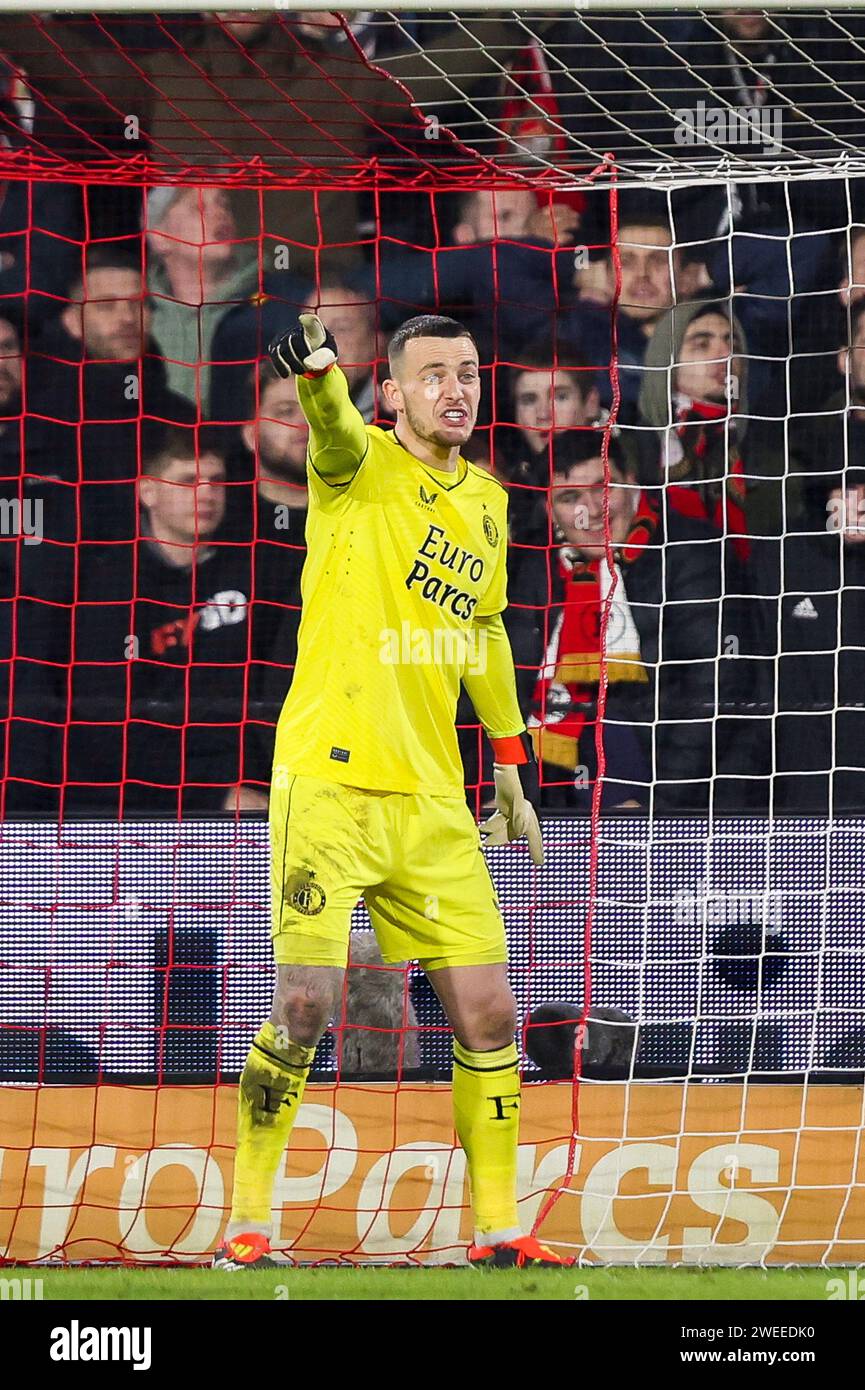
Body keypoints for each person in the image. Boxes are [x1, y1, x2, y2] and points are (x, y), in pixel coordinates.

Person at [214, 310, 570, 1273]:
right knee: (303, 1007)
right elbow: (326, 423)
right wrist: (322, 369)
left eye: (467, 372)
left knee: (491, 1014)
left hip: (429, 800)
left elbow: (486, 629)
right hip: (327, 784)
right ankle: (249, 1220)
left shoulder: (490, 502)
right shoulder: (357, 465)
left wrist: (506, 758)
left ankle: (496, 1227)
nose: (455, 388)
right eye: (432, 375)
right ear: (394, 393)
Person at [507, 431, 735, 811]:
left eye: (602, 488)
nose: (591, 510)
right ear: (550, 512)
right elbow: (512, 692)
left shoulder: (689, 553)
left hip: (681, 802)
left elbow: (713, 695)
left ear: (630, 481)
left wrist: (653, 806)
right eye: (569, 498)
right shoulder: (536, 572)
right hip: (557, 797)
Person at [751, 467, 865, 813]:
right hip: (809, 787)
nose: (860, 503)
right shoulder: (781, 558)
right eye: (848, 488)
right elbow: (765, 680)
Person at [146, 186, 261, 413]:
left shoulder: (275, 300)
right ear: (160, 238)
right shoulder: (136, 312)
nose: (219, 213)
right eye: (198, 207)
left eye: (224, 204)